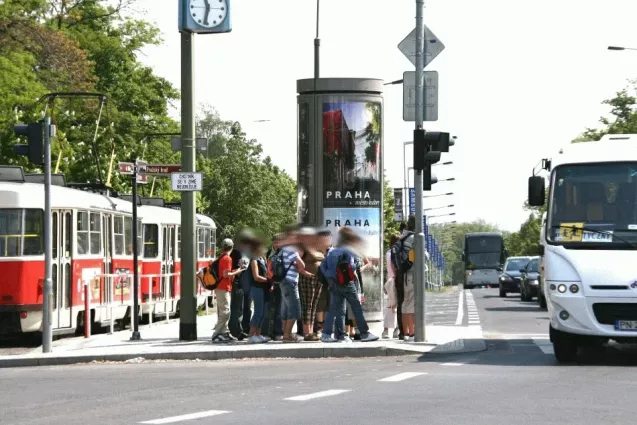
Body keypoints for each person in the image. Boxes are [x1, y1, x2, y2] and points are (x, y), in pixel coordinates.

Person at [320, 227, 379, 343]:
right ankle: (364, 333)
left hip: (334, 284)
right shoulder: (349, 251)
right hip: (347, 283)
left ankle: (329, 334)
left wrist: (330, 277)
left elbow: (322, 267)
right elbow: (352, 266)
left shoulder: (332, 251)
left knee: (337, 310)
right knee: (357, 308)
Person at [277, 230, 313, 343]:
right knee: (295, 310)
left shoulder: (283, 249)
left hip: (283, 281)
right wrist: (300, 265)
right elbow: (301, 264)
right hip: (290, 282)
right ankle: (287, 336)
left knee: (286, 309)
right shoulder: (292, 249)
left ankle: (286, 334)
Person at [212, 239, 246, 343]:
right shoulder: (227, 258)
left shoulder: (222, 257)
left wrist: (234, 271)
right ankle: (216, 334)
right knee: (225, 313)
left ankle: (223, 333)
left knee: (224, 311)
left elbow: (225, 272)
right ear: (232, 247)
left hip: (221, 287)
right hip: (223, 288)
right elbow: (225, 275)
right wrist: (239, 271)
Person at [298, 227, 324, 341]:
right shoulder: (303, 246)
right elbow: (295, 260)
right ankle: (307, 332)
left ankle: (312, 331)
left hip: (318, 278)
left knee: (314, 305)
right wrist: (304, 272)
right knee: (307, 305)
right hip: (307, 278)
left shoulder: (318, 247)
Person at [247, 240, 272, 344]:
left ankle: (258, 334)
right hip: (257, 288)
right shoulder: (254, 259)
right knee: (258, 312)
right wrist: (268, 280)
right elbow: (256, 277)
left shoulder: (263, 258)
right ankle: (251, 335)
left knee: (262, 313)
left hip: (264, 288)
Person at [382, 234, 400, 339]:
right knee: (396, 306)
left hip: (389, 281)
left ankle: (386, 330)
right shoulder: (394, 253)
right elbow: (395, 269)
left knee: (390, 306)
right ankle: (396, 329)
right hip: (394, 281)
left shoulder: (388, 253)